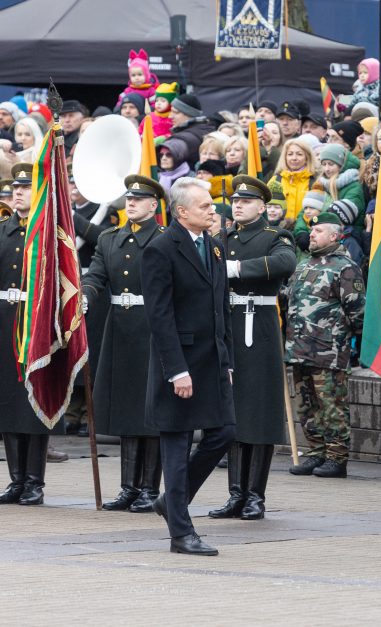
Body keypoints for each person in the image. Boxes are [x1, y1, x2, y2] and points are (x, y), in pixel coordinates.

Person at [140, 177, 236, 556]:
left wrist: (225, 360)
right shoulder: (160, 249)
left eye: (211, 205)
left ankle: (172, 501)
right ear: (182, 212)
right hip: (178, 363)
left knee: (224, 432)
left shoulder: (212, 247)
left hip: (211, 361)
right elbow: (160, 315)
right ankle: (181, 533)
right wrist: (176, 370)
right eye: (204, 207)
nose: (212, 211)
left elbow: (220, 310)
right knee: (177, 446)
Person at [210, 176, 297, 520]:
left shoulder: (275, 237)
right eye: (235, 200)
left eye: (246, 201)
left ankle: (255, 496)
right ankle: (235, 493)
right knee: (232, 413)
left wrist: (238, 269)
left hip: (257, 327)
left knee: (259, 413)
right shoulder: (222, 239)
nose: (238, 205)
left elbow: (285, 263)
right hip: (228, 325)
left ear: (262, 206)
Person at [82, 175, 167, 513]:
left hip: (152, 329)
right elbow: (96, 275)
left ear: (153, 204)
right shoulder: (110, 238)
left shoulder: (166, 239)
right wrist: (86, 296)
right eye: (128, 199)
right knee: (126, 409)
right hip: (120, 328)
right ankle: (129, 487)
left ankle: (149, 488)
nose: (130, 203)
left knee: (151, 412)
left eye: (138, 199)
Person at [285, 212, 365, 479]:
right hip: (299, 348)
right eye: (311, 231)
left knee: (331, 405)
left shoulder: (345, 267)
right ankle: (315, 452)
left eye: (318, 230)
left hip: (328, 350)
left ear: (334, 235)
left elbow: (357, 310)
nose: (312, 234)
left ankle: (336, 457)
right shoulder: (304, 264)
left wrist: (352, 348)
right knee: (306, 405)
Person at [0, 164, 54, 506]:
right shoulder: (3, 231)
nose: (18, 192)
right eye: (14, 188)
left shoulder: (48, 232)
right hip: (5, 323)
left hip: (35, 323)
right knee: (7, 402)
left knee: (34, 404)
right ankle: (16, 479)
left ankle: (34, 481)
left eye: (25, 187)